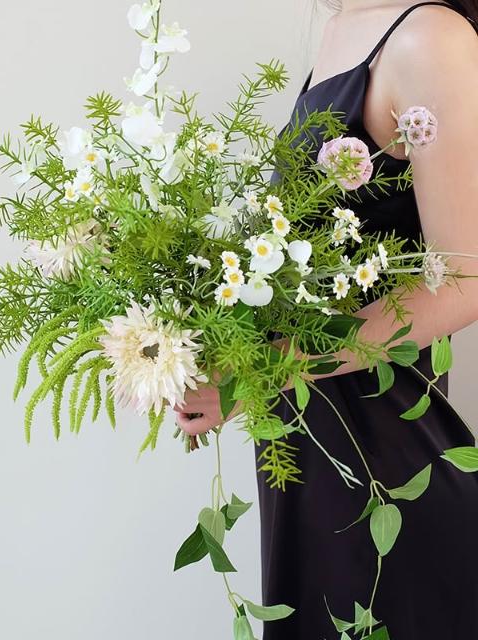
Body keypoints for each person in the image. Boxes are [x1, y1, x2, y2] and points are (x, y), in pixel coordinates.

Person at [174, 2, 478, 638]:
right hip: (308, 450)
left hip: (385, 461)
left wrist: (264, 369)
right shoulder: (342, 26)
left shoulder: (431, 35)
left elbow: (464, 280)